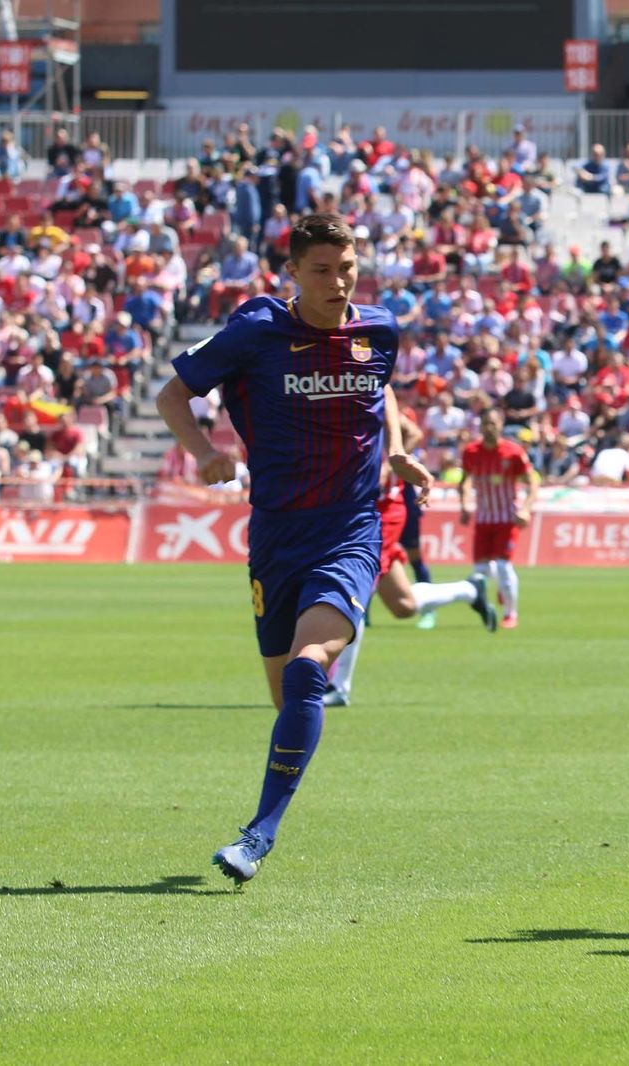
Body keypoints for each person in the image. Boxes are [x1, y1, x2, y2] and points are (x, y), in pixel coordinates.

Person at [155, 213, 433, 885]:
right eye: (323, 271)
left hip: (350, 531)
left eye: (348, 269)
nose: (338, 283)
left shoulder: (378, 330)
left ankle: (258, 834)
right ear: (293, 273)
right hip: (277, 536)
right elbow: (174, 395)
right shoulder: (256, 332)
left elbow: (381, 386)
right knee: (287, 697)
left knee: (311, 670)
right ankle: (270, 809)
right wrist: (202, 452)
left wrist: (394, 450)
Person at [324, 416, 500, 707]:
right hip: (354, 508)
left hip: (382, 511)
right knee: (403, 605)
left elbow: (414, 432)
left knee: (355, 591)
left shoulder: (373, 389)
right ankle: (471, 590)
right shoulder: (333, 390)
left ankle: (338, 686)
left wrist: (391, 462)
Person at [460, 407, 540, 628]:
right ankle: (497, 597)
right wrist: (465, 504)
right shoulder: (471, 452)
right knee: (480, 571)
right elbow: (465, 480)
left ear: (501, 425)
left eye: (493, 423)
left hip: (507, 518)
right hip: (483, 519)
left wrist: (525, 508)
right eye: (485, 423)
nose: (489, 428)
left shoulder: (513, 453)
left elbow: (532, 482)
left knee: (504, 566)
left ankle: (510, 613)